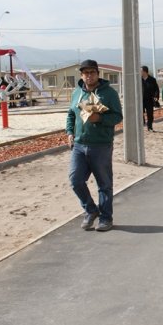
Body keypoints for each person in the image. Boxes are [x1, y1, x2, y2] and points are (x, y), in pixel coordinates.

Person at [66, 59, 123, 232]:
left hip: (101, 145)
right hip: (79, 145)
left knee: (104, 184)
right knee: (75, 181)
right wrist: (69, 132)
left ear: (98, 74)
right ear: (81, 75)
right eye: (85, 73)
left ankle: (106, 218)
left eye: (92, 72)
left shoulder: (108, 93)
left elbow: (117, 117)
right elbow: (71, 114)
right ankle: (91, 210)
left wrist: (100, 119)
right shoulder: (77, 93)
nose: (89, 76)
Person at [141, 65, 160, 132]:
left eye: (141, 71)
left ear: (145, 72)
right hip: (141, 100)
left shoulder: (152, 80)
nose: (140, 72)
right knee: (140, 113)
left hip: (149, 100)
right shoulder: (138, 80)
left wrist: (156, 97)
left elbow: (156, 89)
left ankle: (150, 127)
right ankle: (142, 124)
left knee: (150, 114)